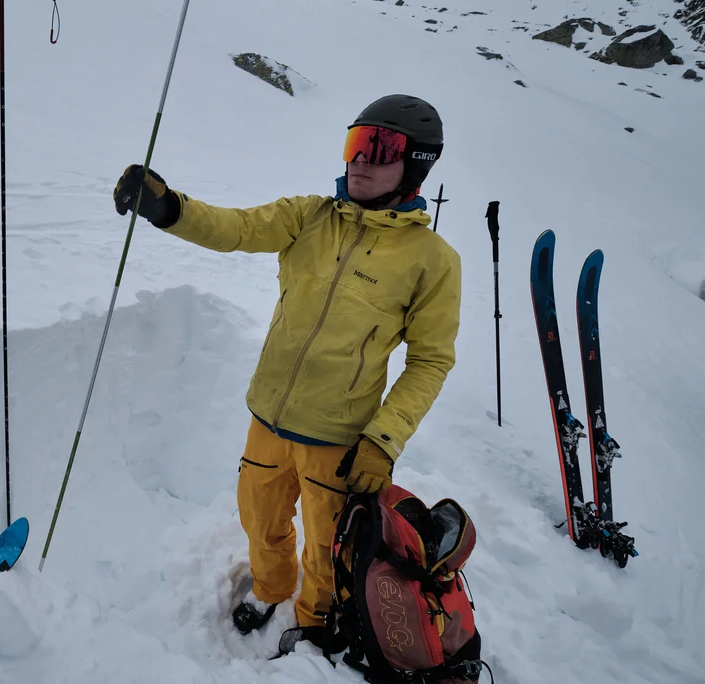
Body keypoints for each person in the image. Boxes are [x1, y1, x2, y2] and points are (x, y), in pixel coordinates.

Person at [112, 94, 462, 635]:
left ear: (416, 162)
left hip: (339, 438)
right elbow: (234, 228)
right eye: (356, 144)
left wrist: (383, 440)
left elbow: (430, 361)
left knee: (327, 543)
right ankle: (271, 586)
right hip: (269, 415)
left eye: (380, 147)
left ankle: (316, 619)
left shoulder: (433, 261)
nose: (361, 159)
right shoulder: (309, 216)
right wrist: (169, 209)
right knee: (259, 516)